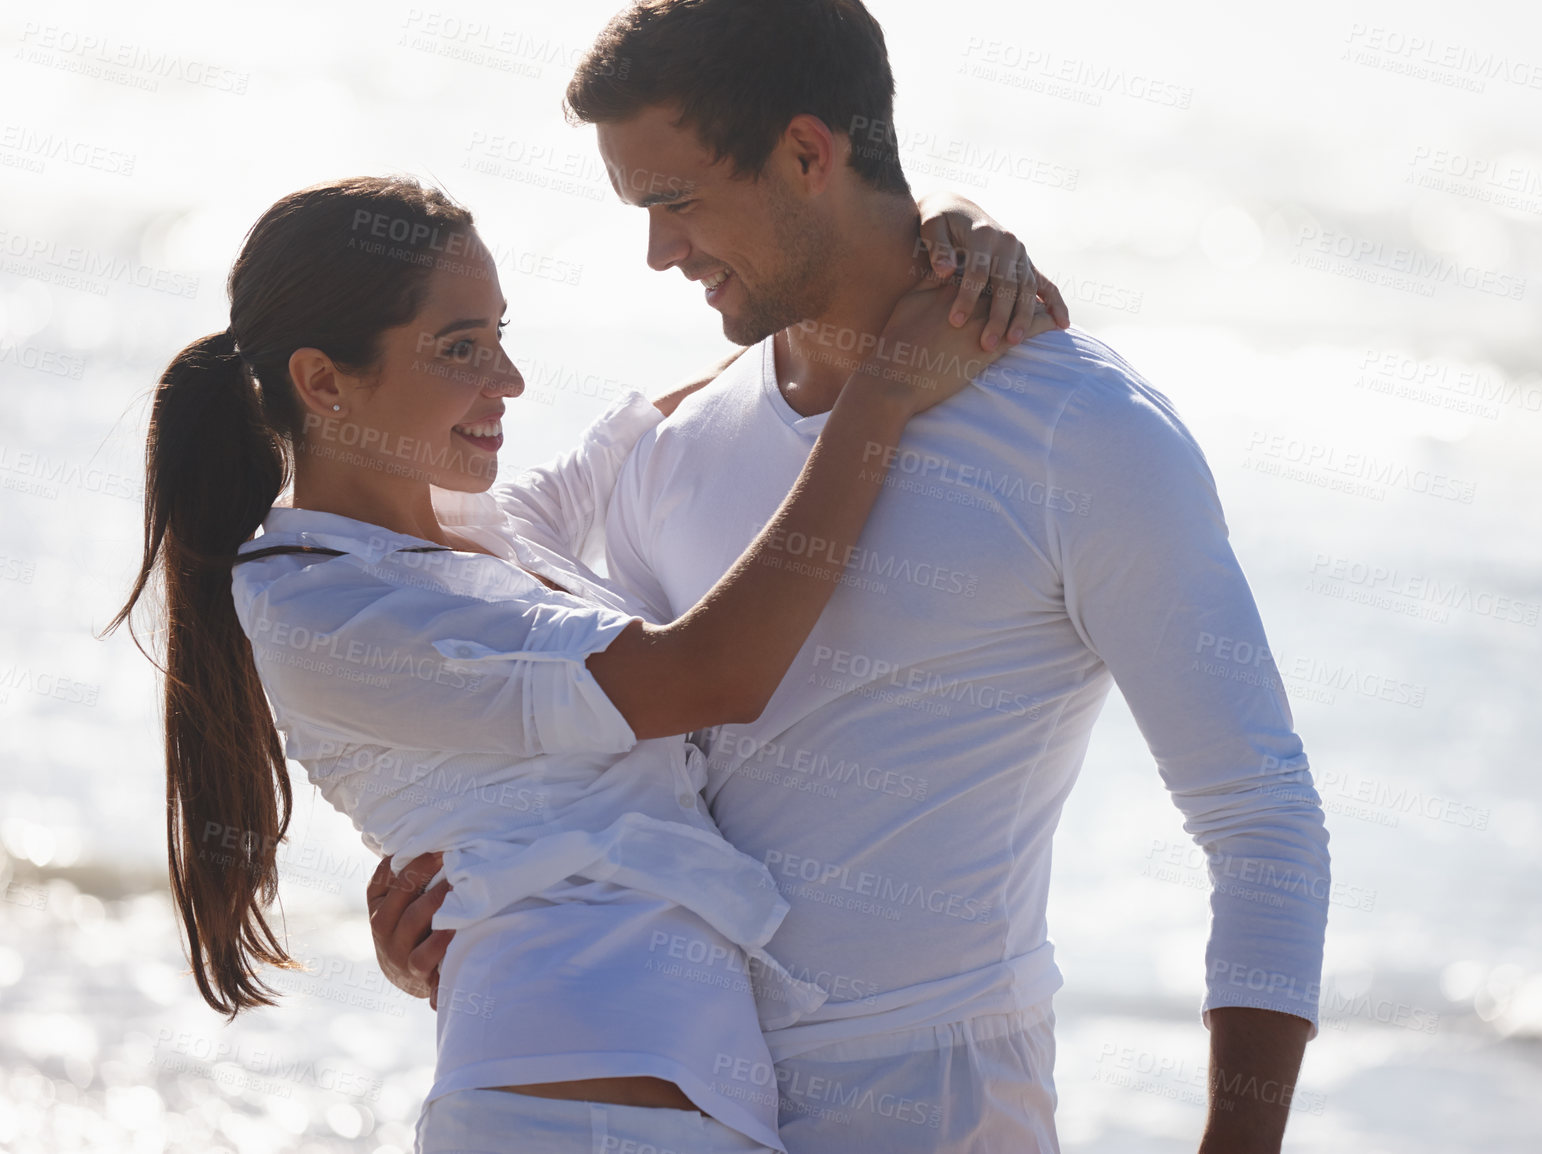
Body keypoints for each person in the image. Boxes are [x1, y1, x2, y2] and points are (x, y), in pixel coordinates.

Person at [373, 2, 1334, 1153]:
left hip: (934, 1102)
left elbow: (1261, 815)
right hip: (673, 1090)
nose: (658, 250)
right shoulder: (675, 448)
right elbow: (595, 755)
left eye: (673, 199)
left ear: (807, 154)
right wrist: (458, 901)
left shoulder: (1077, 429)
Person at [108, 175, 1053, 1153]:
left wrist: (944, 238)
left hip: (676, 1108)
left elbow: (725, 403)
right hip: (564, 1116)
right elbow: (711, 672)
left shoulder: (498, 528)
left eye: (501, 334)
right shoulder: (318, 608)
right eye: (461, 347)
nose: (508, 379)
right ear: (322, 381)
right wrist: (890, 392)